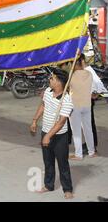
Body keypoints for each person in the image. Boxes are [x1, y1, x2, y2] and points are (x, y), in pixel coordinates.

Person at [30, 68, 74, 199]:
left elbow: (61, 122)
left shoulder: (67, 100)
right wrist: (34, 121)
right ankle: (49, 185)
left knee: (62, 163)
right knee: (48, 161)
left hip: (60, 136)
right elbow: (43, 105)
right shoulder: (48, 92)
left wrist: (48, 136)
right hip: (45, 131)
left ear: (59, 82)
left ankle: (67, 188)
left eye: (52, 78)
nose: (49, 80)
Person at [69, 55, 96, 160]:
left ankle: (78, 154)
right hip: (87, 105)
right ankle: (91, 152)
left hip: (75, 106)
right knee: (88, 129)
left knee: (76, 131)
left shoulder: (72, 75)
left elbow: (68, 89)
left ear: (75, 63)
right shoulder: (89, 74)